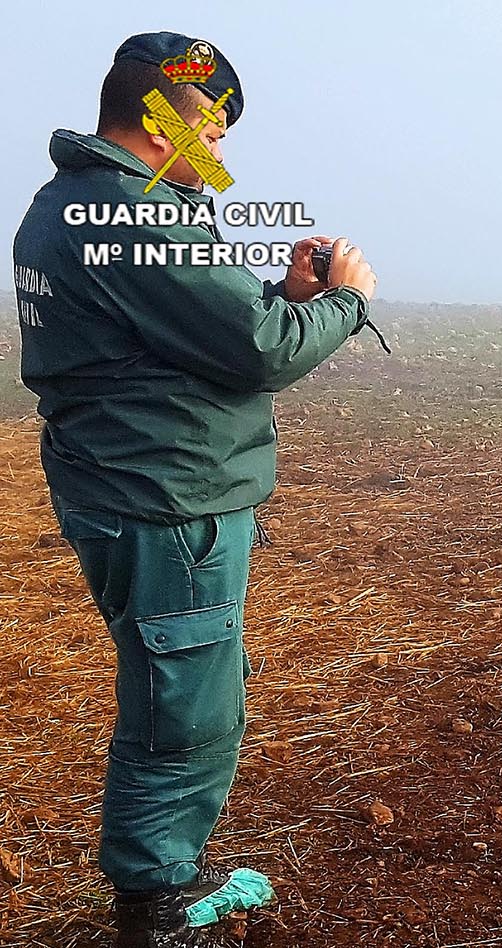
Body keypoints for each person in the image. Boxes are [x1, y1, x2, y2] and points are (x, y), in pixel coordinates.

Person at [13, 32, 377, 948]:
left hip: (124, 483)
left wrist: (277, 291)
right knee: (186, 707)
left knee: (174, 682)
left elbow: (173, 326)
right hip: (168, 497)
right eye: (208, 118)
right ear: (161, 113)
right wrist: (343, 300)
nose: (217, 140)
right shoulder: (136, 211)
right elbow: (256, 348)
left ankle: (165, 870)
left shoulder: (68, 203)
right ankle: (158, 905)